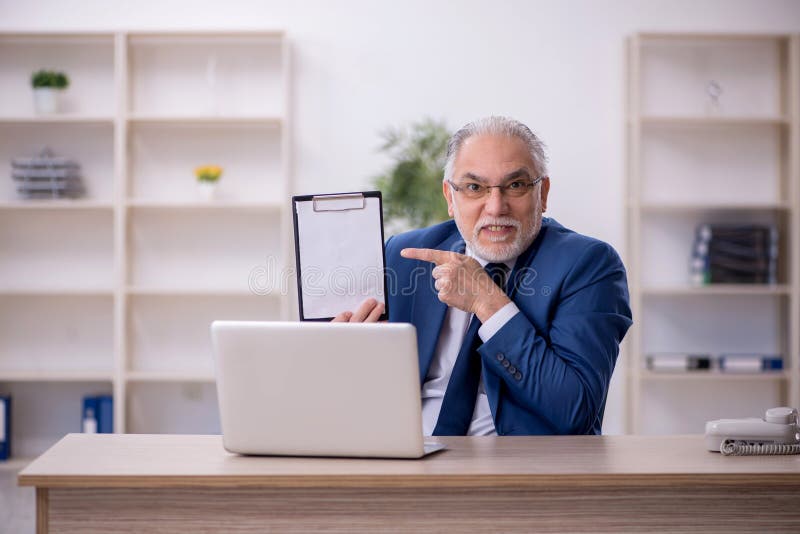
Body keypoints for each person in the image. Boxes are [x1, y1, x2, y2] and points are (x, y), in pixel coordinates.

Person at [334, 116, 632, 436]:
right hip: (406, 454)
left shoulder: (589, 265)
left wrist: (487, 302)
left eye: (515, 185)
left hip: (519, 469)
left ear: (542, 193)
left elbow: (575, 412)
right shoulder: (403, 254)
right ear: (450, 197)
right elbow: (362, 393)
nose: (495, 207)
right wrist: (347, 357)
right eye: (475, 187)